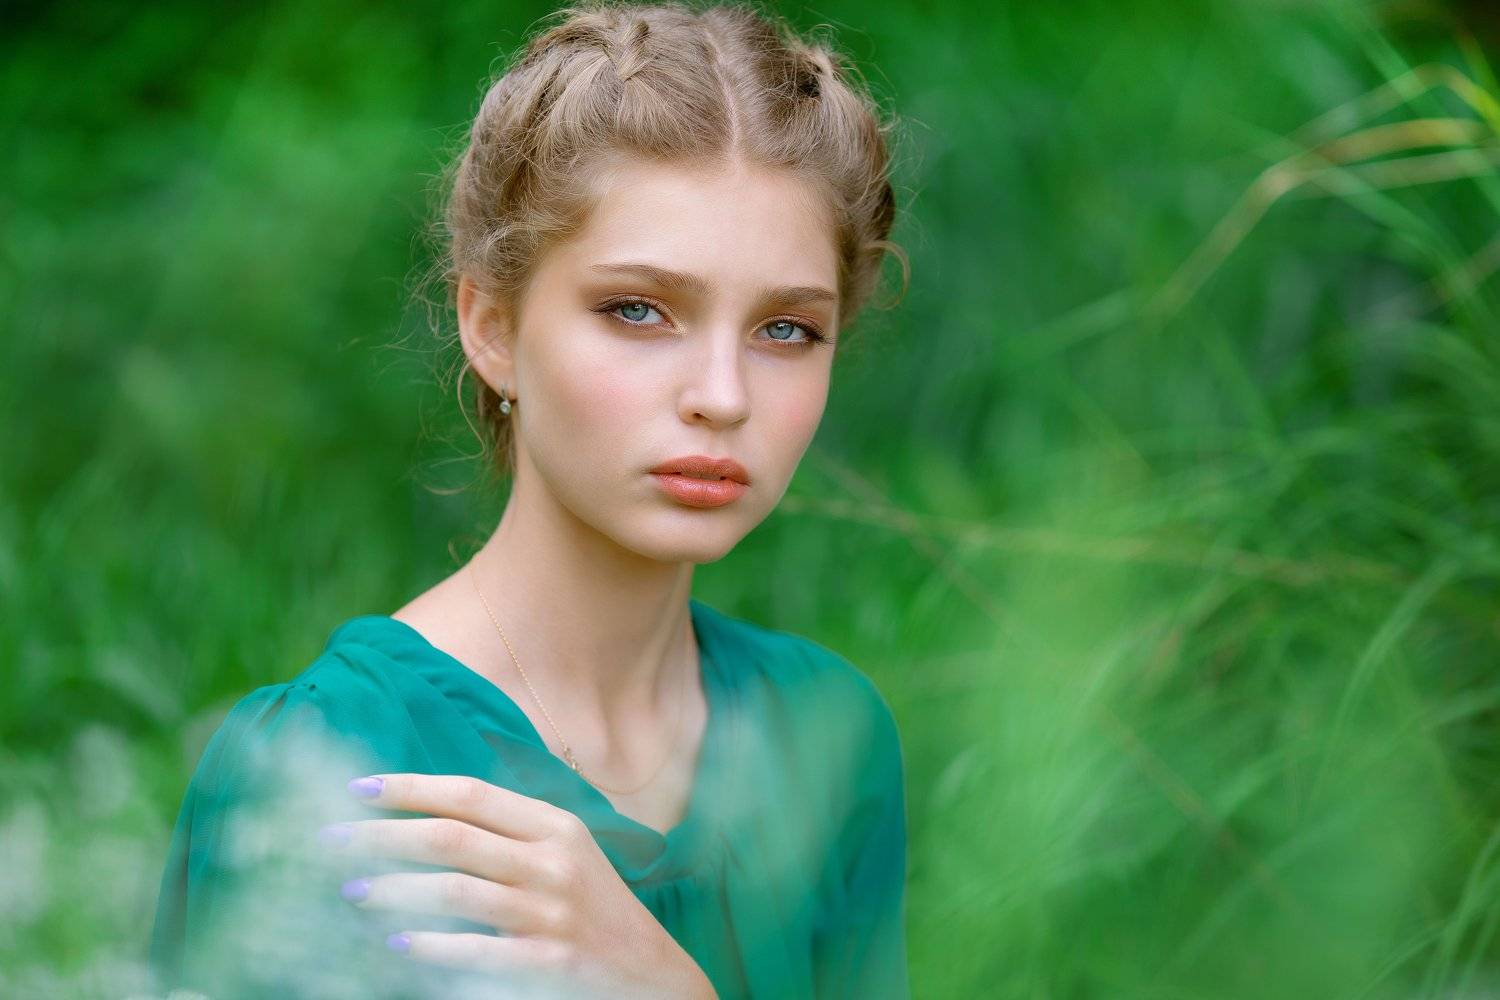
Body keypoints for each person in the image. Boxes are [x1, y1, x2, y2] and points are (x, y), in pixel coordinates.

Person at [149, 1, 911, 997]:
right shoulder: (326, 760)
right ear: (493, 327)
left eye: (785, 330)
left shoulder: (825, 736)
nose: (723, 397)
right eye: (639, 310)